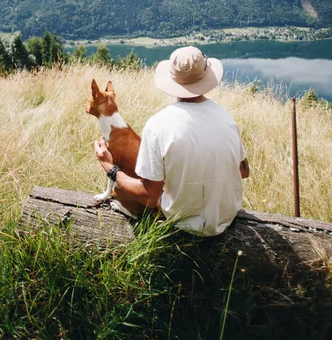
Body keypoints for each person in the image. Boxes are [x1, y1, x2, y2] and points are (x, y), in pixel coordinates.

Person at [94, 46, 249, 236]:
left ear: (172, 80)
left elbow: (149, 197)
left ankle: (146, 225)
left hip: (181, 224)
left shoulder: (157, 125)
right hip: (226, 218)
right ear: (206, 75)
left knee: (122, 192)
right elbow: (243, 171)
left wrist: (110, 167)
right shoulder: (227, 119)